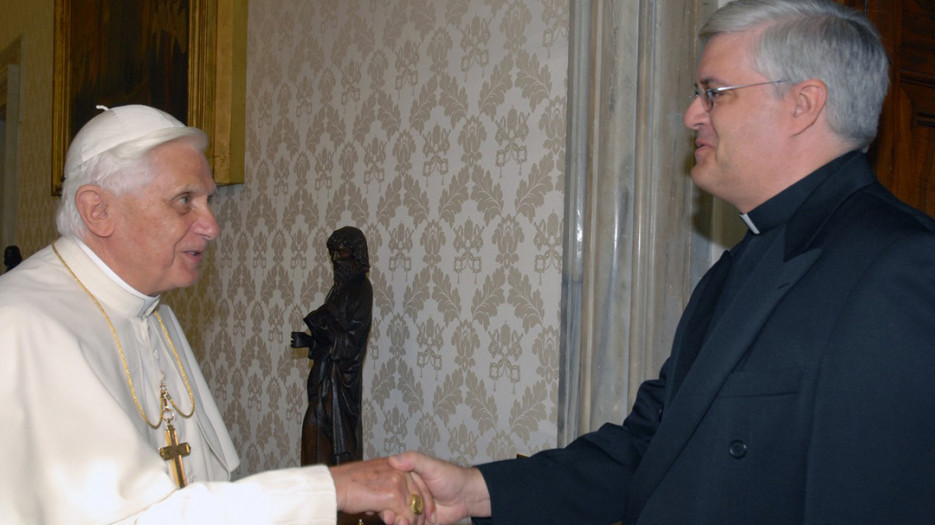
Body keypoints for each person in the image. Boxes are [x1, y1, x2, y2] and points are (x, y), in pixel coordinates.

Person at [391, 1, 935, 523]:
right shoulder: (740, 261)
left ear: (803, 104)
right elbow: (652, 446)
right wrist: (475, 491)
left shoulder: (902, 263)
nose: (692, 114)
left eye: (714, 93)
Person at [0, 105, 431, 525]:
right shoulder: (23, 325)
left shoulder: (154, 316)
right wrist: (331, 489)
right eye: (184, 200)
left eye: (207, 199)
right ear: (98, 210)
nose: (211, 225)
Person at [291, 226, 373, 467]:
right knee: (313, 439)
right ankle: (318, 497)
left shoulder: (361, 289)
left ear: (356, 254)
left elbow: (352, 342)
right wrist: (309, 340)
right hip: (325, 379)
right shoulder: (337, 290)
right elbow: (330, 336)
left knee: (339, 451)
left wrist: (324, 324)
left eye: (342, 253)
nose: (336, 260)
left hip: (341, 385)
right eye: (332, 254)